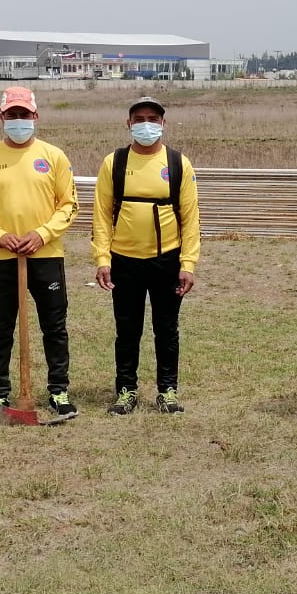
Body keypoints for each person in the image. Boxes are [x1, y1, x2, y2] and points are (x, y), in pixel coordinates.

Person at [0, 86, 80, 423]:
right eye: (12, 115)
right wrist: (0, 236)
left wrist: (40, 234)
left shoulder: (54, 157)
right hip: (1, 258)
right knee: (0, 328)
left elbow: (69, 205)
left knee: (54, 327)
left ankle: (58, 392)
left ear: (35, 117)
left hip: (46, 256)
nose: (18, 120)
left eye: (24, 115)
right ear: (2, 118)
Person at [91, 96, 201, 415]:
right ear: (128, 124)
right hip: (124, 261)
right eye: (139, 119)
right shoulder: (115, 163)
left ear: (163, 124)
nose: (146, 125)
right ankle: (126, 390)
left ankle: (167, 390)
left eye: (153, 119)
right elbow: (100, 215)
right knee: (127, 330)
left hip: (167, 260)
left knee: (166, 329)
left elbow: (191, 219)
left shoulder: (179, 163)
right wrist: (102, 259)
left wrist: (188, 264)